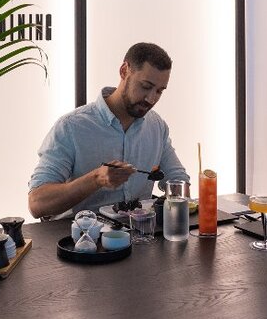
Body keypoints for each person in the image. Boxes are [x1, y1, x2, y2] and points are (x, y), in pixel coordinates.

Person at [28, 42, 189, 219]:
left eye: (159, 91)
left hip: (140, 238)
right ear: (124, 71)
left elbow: (178, 179)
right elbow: (37, 204)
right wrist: (96, 179)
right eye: (145, 86)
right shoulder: (71, 127)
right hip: (78, 239)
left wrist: (175, 203)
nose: (151, 99)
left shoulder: (156, 126)